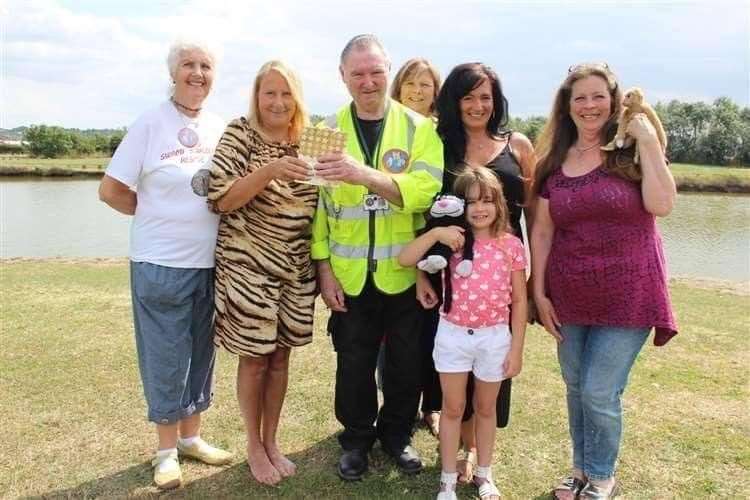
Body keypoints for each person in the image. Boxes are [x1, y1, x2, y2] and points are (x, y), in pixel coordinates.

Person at [531, 63, 677, 500]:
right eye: (580, 97)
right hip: (569, 291)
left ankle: (601, 475)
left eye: (598, 96)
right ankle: (579, 469)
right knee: (576, 384)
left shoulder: (630, 152)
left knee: (599, 389)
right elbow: (541, 231)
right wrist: (538, 293)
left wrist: (648, 139)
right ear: (567, 105)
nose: (589, 105)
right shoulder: (552, 162)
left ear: (613, 101)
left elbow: (662, 204)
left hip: (629, 292)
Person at [98, 39, 232, 490]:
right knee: (165, 356)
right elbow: (112, 190)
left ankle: (192, 438)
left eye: (206, 66)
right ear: (172, 73)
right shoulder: (150, 123)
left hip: (211, 264)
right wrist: (155, 214)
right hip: (160, 263)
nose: (198, 73)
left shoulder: (219, 127)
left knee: (201, 353)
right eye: (189, 65)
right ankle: (165, 451)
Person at [311, 34, 444, 481]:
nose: (368, 82)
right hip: (348, 276)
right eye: (358, 73)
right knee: (353, 364)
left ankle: (397, 436)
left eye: (376, 72)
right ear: (343, 76)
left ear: (389, 72)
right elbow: (316, 210)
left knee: (406, 364)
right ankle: (356, 440)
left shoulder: (419, 129)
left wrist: (362, 174)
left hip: (403, 272)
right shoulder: (324, 131)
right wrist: (323, 270)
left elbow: (426, 192)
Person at [421, 62, 536, 484]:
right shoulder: (438, 144)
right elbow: (423, 213)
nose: (477, 105)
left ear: (497, 100)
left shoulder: (518, 145)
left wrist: (534, 280)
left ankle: (475, 454)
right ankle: (451, 441)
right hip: (448, 274)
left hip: (502, 275)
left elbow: (537, 217)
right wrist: (420, 275)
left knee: (492, 368)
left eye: (485, 96)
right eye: (468, 96)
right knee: (451, 370)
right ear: (454, 100)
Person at [207, 60, 317, 486]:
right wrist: (268, 170)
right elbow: (220, 199)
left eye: (286, 93)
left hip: (295, 270)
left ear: (297, 99)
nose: (277, 101)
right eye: (269, 93)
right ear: (256, 97)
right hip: (248, 270)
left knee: (281, 357)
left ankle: (272, 440)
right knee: (254, 360)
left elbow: (323, 203)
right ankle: (253, 445)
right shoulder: (240, 134)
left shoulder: (308, 140)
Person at [399, 168, 527, 500]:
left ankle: (484, 475)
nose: (479, 209)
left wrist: (516, 350)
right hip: (453, 334)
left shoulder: (511, 246)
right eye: (470, 202)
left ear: (499, 204)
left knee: (486, 409)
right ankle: (447, 480)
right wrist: (434, 234)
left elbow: (520, 301)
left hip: (494, 337)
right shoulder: (452, 241)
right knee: (453, 409)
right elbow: (406, 258)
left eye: (487, 200)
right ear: (459, 206)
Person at [376, 57, 442, 437]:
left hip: (433, 245)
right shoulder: (385, 130)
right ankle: (394, 405)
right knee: (391, 340)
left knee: (428, 333)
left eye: (426, 85)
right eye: (410, 84)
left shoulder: (439, 133)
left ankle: (430, 406)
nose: (417, 91)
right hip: (391, 251)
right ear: (397, 88)